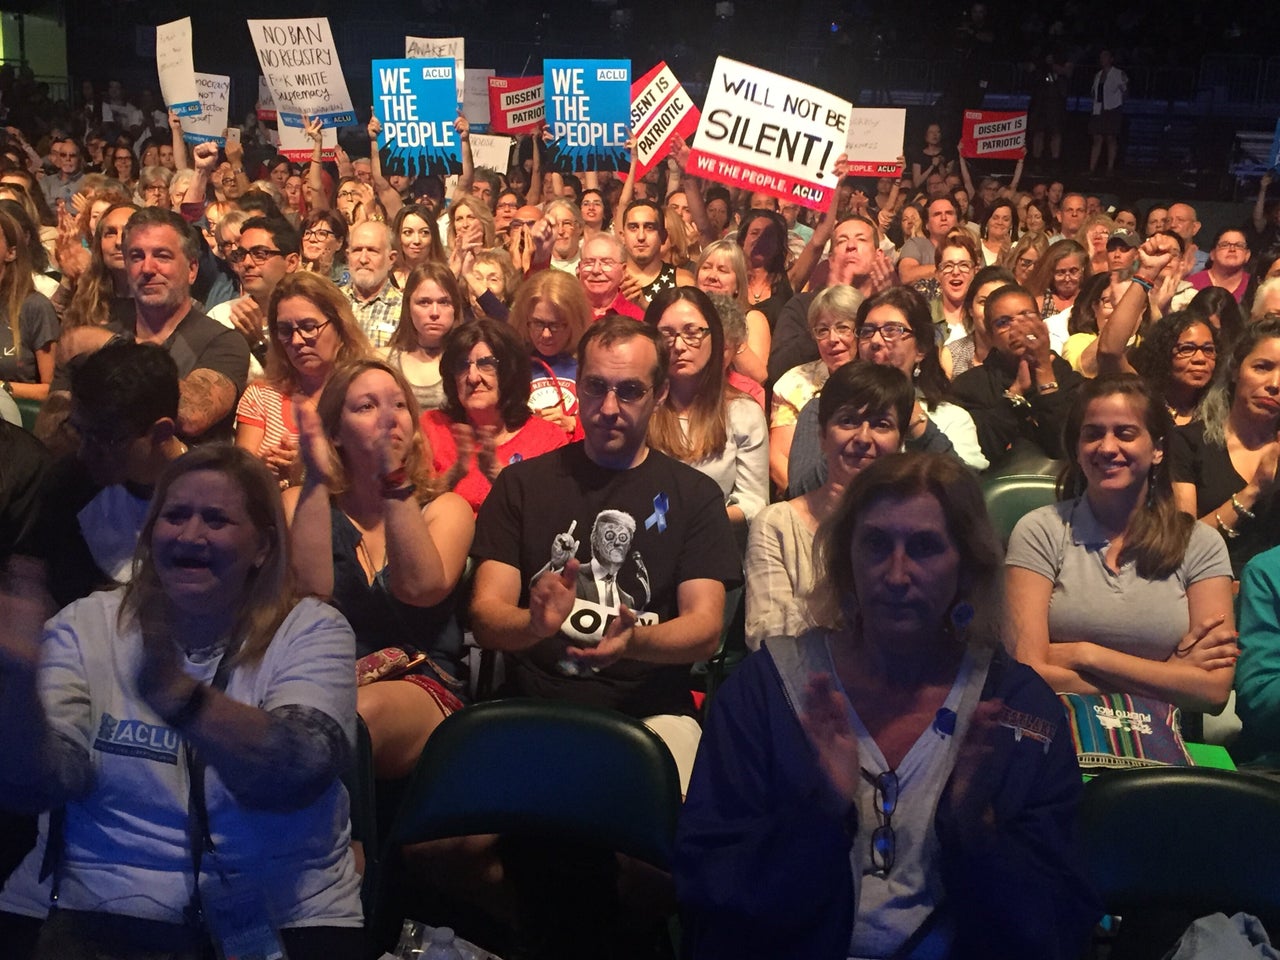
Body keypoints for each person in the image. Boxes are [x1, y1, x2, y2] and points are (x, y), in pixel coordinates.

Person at [676, 452, 1098, 959]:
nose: (897, 575)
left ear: (966, 564)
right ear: (846, 559)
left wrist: (974, 829)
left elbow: (1055, 925)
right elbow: (709, 889)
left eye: (924, 548)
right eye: (876, 544)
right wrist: (819, 813)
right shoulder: (768, 690)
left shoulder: (1015, 708)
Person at [0, 445, 365, 959]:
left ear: (262, 546)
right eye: (175, 516)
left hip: (279, 911)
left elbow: (296, 774)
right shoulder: (87, 625)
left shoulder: (311, 630)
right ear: (150, 534)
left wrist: (184, 700)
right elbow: (46, 780)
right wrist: (15, 684)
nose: (191, 535)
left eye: (216, 520)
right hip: (100, 907)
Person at [468, 314, 741, 792]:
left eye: (630, 390)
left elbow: (704, 631)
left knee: (659, 850)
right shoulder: (522, 486)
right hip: (531, 705)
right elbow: (486, 616)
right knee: (457, 847)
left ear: (658, 395)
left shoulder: (694, 496)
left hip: (651, 712)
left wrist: (634, 643)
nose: (608, 407)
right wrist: (534, 625)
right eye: (595, 387)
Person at [285, 358, 474, 780]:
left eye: (399, 405)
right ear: (334, 432)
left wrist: (394, 480)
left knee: (351, 716)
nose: (389, 417)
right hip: (320, 678)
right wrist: (316, 480)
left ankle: (350, 843)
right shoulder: (302, 501)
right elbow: (309, 593)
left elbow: (419, 589)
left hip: (420, 680)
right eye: (367, 407)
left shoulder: (446, 508)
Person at [1007, 374, 1235, 714]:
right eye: (1093, 434)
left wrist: (1085, 654)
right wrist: (1172, 675)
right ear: (1077, 448)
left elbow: (1214, 691)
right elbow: (1026, 671)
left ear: (1157, 449)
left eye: (1125, 433)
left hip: (1162, 743)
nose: (1107, 447)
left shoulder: (1201, 543)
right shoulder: (1040, 531)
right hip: (1054, 732)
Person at [745, 363, 911, 649]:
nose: (863, 437)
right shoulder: (777, 524)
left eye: (881, 424)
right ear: (822, 436)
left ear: (901, 441)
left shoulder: (918, 527)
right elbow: (766, 637)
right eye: (848, 421)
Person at [58, 208, 250, 443]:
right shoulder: (103, 331)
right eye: (137, 256)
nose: (147, 268)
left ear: (192, 270)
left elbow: (192, 415)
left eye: (162, 256)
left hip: (185, 477)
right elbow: (53, 424)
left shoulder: (223, 341)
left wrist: (117, 348)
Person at [645, 287, 768, 531]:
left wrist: (696, 518)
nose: (679, 345)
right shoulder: (640, 407)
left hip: (715, 536)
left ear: (715, 337)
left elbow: (754, 502)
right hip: (646, 537)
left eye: (692, 333)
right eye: (666, 334)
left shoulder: (743, 412)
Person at [235, 272, 372, 486]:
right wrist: (263, 468)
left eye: (309, 327)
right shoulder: (261, 395)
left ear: (339, 325)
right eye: (285, 330)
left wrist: (306, 468)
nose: (297, 341)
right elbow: (238, 481)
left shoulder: (365, 395)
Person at [421, 318, 569, 515]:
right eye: (462, 365)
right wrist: (455, 474)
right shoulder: (431, 427)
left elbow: (552, 517)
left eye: (486, 364)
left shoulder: (547, 439)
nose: (473, 377)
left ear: (510, 370)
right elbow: (413, 507)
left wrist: (499, 475)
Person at [1170, 315, 1280, 576]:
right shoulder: (1188, 442)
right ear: (1234, 370)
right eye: (1262, 367)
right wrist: (1253, 491)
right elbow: (1180, 544)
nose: (1274, 384)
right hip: (1206, 584)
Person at [950, 282, 1083, 465]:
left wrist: (1045, 374)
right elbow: (975, 452)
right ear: (990, 336)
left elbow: (1066, 448)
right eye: (1003, 322)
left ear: (1041, 322)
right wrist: (1015, 394)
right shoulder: (969, 385)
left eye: (1026, 316)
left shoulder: (1065, 375)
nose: (1017, 329)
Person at [770, 285, 863, 491]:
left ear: (861, 331)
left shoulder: (879, 380)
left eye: (843, 328)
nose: (832, 339)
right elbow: (779, 458)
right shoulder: (793, 383)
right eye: (822, 330)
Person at [510, 268, 590, 437]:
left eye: (556, 325)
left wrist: (574, 423)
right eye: (538, 323)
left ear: (575, 322)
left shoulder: (589, 363)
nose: (546, 334)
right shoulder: (513, 365)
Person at [384, 262, 464, 412]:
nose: (434, 312)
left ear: (456, 307)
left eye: (444, 302)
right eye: (424, 302)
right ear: (408, 306)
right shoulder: (384, 362)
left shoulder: (467, 363)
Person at [693, 238, 770, 387]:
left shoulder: (752, 319)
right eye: (706, 267)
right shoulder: (684, 314)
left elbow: (759, 376)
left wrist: (728, 327)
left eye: (722, 270)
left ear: (738, 284)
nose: (712, 276)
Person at [0, 207, 57, 400]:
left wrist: (2, 388)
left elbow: (51, 389)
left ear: (11, 252)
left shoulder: (35, 307)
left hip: (18, 420)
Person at [341, 220, 403, 349]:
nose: (363, 259)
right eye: (357, 250)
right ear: (348, 256)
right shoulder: (332, 301)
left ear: (391, 259)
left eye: (372, 251)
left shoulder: (405, 309)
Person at [1026, 238, 1090, 351]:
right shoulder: (1039, 303)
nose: (1067, 278)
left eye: (1073, 271)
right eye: (1060, 272)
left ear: (1083, 270)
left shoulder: (1089, 299)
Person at [578, 233, 643, 321]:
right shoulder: (567, 311)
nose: (596, 270)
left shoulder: (638, 315)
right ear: (579, 268)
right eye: (589, 263)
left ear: (623, 270)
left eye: (606, 263)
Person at [1187, 227, 1251, 304]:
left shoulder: (1254, 286)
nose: (1232, 249)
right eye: (1225, 245)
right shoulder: (1192, 284)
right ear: (1212, 254)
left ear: (1247, 255)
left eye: (1239, 245)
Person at [1088, 50, 1127, 176]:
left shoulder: (1118, 73)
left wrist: (1119, 102)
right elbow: (1094, 91)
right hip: (1098, 108)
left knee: (1110, 137)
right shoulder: (1098, 75)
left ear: (1111, 59)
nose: (1102, 59)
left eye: (1105, 57)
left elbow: (1125, 90)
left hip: (1112, 108)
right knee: (1097, 137)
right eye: (1101, 57)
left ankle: (1110, 168)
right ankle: (1092, 168)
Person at [298, 209, 349, 286]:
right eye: (308, 233)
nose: (312, 239)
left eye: (322, 234)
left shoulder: (348, 278)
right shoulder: (290, 273)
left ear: (339, 242)